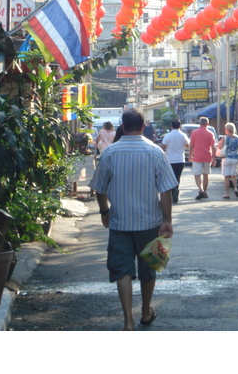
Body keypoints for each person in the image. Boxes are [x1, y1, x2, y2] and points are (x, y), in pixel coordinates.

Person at [89, 108, 177, 331]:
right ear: (143, 126)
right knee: (148, 267)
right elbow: (166, 191)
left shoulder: (110, 153)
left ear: (123, 126)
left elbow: (99, 188)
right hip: (150, 222)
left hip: (119, 222)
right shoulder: (155, 152)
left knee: (122, 270)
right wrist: (167, 219)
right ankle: (146, 311)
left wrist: (104, 212)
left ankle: (127, 321)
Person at [161, 119, 189, 204]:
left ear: (171, 126)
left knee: (170, 177)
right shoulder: (183, 135)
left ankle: (172, 192)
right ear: (180, 126)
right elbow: (187, 145)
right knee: (177, 177)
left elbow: (163, 147)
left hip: (170, 160)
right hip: (180, 160)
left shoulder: (167, 136)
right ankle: (176, 189)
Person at [189, 116, 216, 200]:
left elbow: (191, 146)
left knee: (197, 175)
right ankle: (204, 191)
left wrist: (190, 155)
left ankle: (201, 190)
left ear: (199, 123)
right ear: (207, 124)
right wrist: (214, 159)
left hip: (197, 156)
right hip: (207, 156)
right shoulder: (210, 134)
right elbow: (213, 147)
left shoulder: (194, 133)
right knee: (206, 175)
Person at [216, 122, 238, 199]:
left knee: (226, 177)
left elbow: (220, 147)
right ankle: (235, 188)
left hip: (226, 158)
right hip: (235, 158)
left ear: (227, 129)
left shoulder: (225, 137)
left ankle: (227, 193)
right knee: (233, 175)